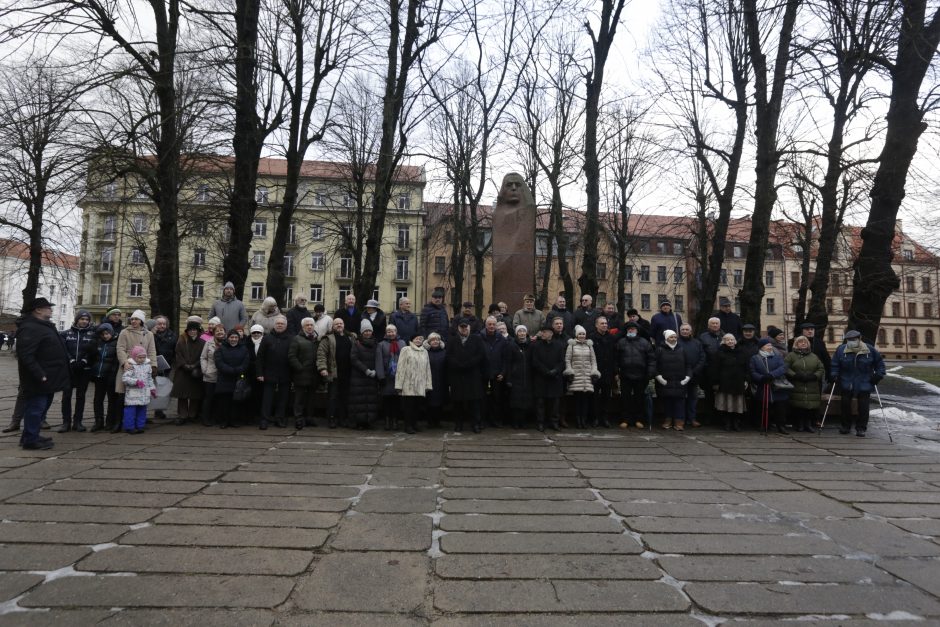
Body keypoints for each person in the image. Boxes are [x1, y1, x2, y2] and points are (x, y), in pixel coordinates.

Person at [15, 297, 69, 450]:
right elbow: (26, 355)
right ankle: (31, 440)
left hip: (49, 377)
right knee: (35, 409)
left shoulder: (42, 326)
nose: (51, 309)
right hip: (38, 379)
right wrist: (39, 374)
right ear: (38, 310)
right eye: (48, 307)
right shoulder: (30, 327)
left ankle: (29, 436)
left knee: (39, 409)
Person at [831, 329, 885, 437]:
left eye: (853, 339)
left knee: (863, 406)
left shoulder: (869, 349)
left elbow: (880, 364)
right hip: (847, 381)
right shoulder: (841, 349)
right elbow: (835, 364)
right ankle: (845, 426)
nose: (851, 341)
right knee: (845, 404)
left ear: (860, 339)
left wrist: (878, 376)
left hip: (864, 381)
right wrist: (834, 374)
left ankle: (861, 428)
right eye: (849, 340)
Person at [115, 310, 157, 431]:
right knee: (122, 396)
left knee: (141, 397)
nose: (133, 321)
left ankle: (138, 423)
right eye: (132, 319)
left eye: (136, 319)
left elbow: (152, 351)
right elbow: (120, 348)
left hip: (144, 367)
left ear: (142, 321)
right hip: (129, 365)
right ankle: (120, 422)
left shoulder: (149, 334)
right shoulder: (125, 332)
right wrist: (124, 362)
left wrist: (153, 365)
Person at [59, 309, 97, 433]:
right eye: (82, 319)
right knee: (66, 396)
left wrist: (84, 361)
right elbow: (63, 349)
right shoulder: (66, 333)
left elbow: (93, 350)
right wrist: (71, 360)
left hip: (84, 369)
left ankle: (78, 422)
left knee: (81, 396)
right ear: (77, 320)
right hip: (69, 369)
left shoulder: (92, 334)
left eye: (86, 319)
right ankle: (66, 422)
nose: (84, 321)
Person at [446, 317, 486, 432]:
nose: (464, 329)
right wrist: (458, 364)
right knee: (457, 403)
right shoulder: (452, 340)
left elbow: (480, 355)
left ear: (469, 327)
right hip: (457, 375)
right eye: (461, 327)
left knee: (474, 403)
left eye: (466, 327)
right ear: (458, 328)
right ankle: (458, 424)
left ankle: (475, 424)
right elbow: (448, 356)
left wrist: (469, 364)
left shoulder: (477, 339)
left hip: (472, 375)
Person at [616, 320, 656, 429]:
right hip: (625, 375)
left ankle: (639, 419)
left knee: (639, 398)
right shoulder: (621, 342)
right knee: (625, 398)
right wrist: (617, 371)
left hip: (641, 375)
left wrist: (650, 373)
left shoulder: (645, 342)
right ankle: (625, 419)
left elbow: (651, 359)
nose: (631, 330)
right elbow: (616, 359)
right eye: (629, 329)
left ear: (637, 331)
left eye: (633, 329)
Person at [318, 317, 356, 428]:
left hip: (348, 373)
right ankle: (331, 419)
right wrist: (322, 368)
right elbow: (321, 354)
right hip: (333, 373)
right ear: (333, 326)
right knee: (333, 397)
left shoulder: (351, 338)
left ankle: (343, 418)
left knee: (345, 397)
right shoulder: (327, 339)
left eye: (341, 323)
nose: (339, 325)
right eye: (336, 324)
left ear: (344, 325)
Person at [257, 315, 292, 429]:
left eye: (282, 324)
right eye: (278, 323)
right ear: (274, 325)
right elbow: (260, 357)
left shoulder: (291, 338)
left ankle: (279, 419)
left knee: (283, 399)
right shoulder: (267, 338)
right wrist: (260, 373)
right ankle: (264, 420)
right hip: (269, 373)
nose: (280, 325)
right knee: (267, 399)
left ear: (286, 326)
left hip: (285, 373)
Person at [749, 338, 791, 435]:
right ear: (761, 347)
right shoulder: (755, 358)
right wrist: (762, 378)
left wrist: (772, 375)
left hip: (777, 386)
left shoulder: (778, 356)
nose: (770, 346)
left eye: (770, 345)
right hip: (763, 385)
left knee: (780, 408)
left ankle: (781, 426)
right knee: (763, 407)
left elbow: (783, 368)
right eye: (767, 345)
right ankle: (764, 425)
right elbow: (752, 371)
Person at [785, 335, 825, 433]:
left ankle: (808, 424)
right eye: (800, 342)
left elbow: (821, 368)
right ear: (796, 344)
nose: (803, 343)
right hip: (797, 384)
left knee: (810, 406)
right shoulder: (791, 355)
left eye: (805, 342)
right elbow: (785, 368)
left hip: (812, 385)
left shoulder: (814, 356)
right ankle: (800, 424)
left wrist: (814, 376)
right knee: (799, 406)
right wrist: (795, 375)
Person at [530, 323, 566, 432]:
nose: (542, 334)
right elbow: (535, 361)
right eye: (542, 332)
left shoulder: (559, 345)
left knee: (555, 403)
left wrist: (555, 371)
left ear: (550, 333)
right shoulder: (536, 345)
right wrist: (546, 371)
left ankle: (554, 422)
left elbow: (562, 362)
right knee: (540, 402)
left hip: (555, 378)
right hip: (541, 377)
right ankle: (540, 422)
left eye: (544, 332)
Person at [396, 333, 433, 434]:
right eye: (416, 339)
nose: (418, 340)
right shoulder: (405, 350)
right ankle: (408, 426)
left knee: (417, 406)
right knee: (408, 407)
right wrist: (399, 385)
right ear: (412, 340)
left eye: (420, 339)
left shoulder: (424, 351)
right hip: (408, 384)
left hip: (420, 384)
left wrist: (428, 384)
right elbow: (400, 367)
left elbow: (427, 368)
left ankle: (414, 424)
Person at [564, 325, 600, 429]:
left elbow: (593, 360)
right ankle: (578, 420)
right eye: (580, 334)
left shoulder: (589, 346)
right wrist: (569, 372)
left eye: (583, 334)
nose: (582, 335)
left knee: (585, 400)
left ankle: (583, 420)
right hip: (576, 376)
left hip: (587, 376)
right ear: (576, 335)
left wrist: (594, 372)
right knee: (577, 400)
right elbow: (568, 360)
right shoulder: (571, 345)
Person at [655, 330, 692, 430]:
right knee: (667, 401)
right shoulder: (659, 350)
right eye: (671, 337)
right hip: (666, 380)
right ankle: (668, 420)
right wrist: (659, 377)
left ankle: (679, 421)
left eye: (675, 337)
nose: (674, 339)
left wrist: (687, 377)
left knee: (680, 401)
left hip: (680, 380)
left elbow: (688, 365)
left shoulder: (682, 349)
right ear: (666, 338)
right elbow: (655, 365)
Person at [170, 321, 205, 426]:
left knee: (194, 395)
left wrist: (195, 365)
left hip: (196, 371)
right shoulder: (181, 341)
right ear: (187, 331)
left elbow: (203, 356)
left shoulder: (203, 343)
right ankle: (182, 416)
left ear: (198, 331)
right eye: (190, 330)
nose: (192, 332)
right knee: (182, 395)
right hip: (182, 372)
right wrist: (184, 365)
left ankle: (192, 415)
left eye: (194, 330)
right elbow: (178, 355)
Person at [214, 329, 250, 429]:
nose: (233, 339)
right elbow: (219, 362)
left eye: (235, 337)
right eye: (231, 337)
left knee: (236, 402)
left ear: (238, 338)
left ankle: (234, 420)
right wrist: (230, 370)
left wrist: (237, 370)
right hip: (224, 378)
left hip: (237, 378)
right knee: (224, 401)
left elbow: (246, 362)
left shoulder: (244, 349)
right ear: (228, 338)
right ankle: (224, 421)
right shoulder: (221, 348)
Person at [713, 333, 749, 431]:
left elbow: (746, 367)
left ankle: (736, 423)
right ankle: (727, 423)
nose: (730, 341)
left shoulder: (741, 352)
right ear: (724, 341)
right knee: (726, 404)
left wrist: (746, 380)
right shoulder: (719, 352)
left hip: (739, 382)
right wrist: (716, 382)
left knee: (738, 404)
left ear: (735, 341)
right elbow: (715, 368)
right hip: (725, 383)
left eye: (732, 339)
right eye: (727, 340)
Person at [288, 318, 320, 429]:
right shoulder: (296, 339)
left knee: (311, 398)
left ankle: (309, 418)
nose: (310, 327)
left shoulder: (317, 339)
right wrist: (300, 368)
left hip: (314, 374)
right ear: (303, 327)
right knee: (299, 399)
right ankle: (298, 419)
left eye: (311, 325)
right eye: (307, 325)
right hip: (300, 374)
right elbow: (292, 356)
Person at [348, 319, 379, 430]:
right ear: (361, 332)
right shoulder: (357, 344)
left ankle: (369, 421)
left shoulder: (376, 344)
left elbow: (378, 359)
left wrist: (376, 370)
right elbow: (354, 359)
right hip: (359, 376)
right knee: (359, 400)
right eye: (365, 331)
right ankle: (359, 422)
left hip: (372, 376)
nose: (367, 333)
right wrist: (365, 370)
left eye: (369, 331)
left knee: (371, 400)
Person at [588, 316, 617, 428]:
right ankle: (595, 418)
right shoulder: (591, 338)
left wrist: (615, 370)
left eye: (606, 323)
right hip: (595, 371)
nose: (605, 325)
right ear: (596, 325)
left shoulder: (611, 338)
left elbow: (615, 354)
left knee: (606, 396)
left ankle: (605, 418)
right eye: (602, 323)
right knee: (594, 397)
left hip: (608, 371)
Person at [90, 322, 119, 432]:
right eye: (103, 334)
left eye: (107, 333)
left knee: (112, 400)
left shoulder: (116, 343)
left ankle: (109, 421)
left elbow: (116, 361)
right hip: (98, 375)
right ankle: (98, 421)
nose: (105, 336)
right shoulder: (97, 343)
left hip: (110, 375)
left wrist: (113, 373)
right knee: (98, 399)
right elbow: (92, 357)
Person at [503, 325, 533, 429]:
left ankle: (523, 421)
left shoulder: (530, 345)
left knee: (525, 400)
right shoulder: (511, 345)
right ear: (516, 333)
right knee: (515, 401)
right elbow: (508, 362)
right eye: (519, 331)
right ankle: (515, 421)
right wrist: (509, 378)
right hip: (515, 377)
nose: (522, 333)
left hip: (527, 376)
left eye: (524, 331)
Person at [480, 316, 508, 428]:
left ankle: (495, 420)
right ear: (486, 325)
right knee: (482, 399)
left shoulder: (501, 339)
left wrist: (503, 372)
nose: (491, 326)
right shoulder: (479, 337)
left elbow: (505, 358)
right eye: (489, 324)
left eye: (493, 324)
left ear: (496, 326)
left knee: (497, 399)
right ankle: (482, 421)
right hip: (483, 374)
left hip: (497, 375)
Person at [121, 345, 156, 434]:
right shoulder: (131, 366)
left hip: (144, 393)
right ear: (134, 357)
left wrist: (152, 389)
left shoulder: (147, 366)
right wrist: (136, 382)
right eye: (139, 357)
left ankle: (140, 426)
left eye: (143, 357)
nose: (142, 359)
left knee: (142, 410)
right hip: (133, 393)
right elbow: (125, 379)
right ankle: (129, 427)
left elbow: (149, 379)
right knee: (130, 411)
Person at [377, 324, 406, 431]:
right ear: (386, 333)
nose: (391, 333)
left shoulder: (402, 343)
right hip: (387, 376)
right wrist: (381, 376)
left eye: (393, 331)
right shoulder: (381, 344)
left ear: (396, 332)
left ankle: (395, 420)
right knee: (386, 401)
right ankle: (387, 420)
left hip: (399, 376)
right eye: (388, 331)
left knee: (397, 401)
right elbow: (379, 361)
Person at [678, 323, 707, 428]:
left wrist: (695, 371)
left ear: (690, 331)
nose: (685, 331)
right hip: (681, 376)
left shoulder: (697, 343)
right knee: (680, 398)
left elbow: (702, 358)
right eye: (683, 329)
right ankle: (681, 419)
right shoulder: (676, 342)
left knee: (693, 398)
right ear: (680, 331)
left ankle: (692, 418)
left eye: (687, 329)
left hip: (694, 375)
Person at [199, 324, 225, 426]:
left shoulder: (228, 342)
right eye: (217, 331)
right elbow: (203, 357)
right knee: (208, 397)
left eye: (221, 330)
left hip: (223, 375)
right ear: (214, 333)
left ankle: (218, 418)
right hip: (210, 374)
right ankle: (206, 418)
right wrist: (205, 370)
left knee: (220, 398)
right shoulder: (208, 343)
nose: (219, 332)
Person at [151, 315, 176, 420]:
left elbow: (175, 350)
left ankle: (159, 410)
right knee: (150, 388)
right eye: (159, 324)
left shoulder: (172, 335)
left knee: (161, 389)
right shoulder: (150, 334)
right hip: (152, 365)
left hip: (166, 365)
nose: (161, 326)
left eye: (164, 324)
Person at [425, 332, 448, 428]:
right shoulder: (425, 352)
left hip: (441, 380)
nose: (435, 341)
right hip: (429, 380)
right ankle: (430, 421)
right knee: (429, 401)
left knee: (440, 401)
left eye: (437, 340)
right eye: (433, 340)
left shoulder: (444, 352)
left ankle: (438, 421)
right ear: (429, 342)